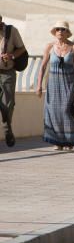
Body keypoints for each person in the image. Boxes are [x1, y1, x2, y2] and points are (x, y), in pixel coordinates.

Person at [36, 20, 74, 151]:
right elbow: (43, 66)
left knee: (66, 111)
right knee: (53, 112)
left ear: (67, 32)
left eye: (63, 29)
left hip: (69, 83)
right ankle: (57, 142)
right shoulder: (50, 47)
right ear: (54, 32)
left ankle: (70, 141)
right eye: (57, 29)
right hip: (53, 84)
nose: (60, 32)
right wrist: (39, 85)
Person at [0, 15, 27, 147]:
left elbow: (22, 49)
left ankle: (7, 128)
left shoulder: (11, 31)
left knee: (7, 104)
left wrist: (11, 55)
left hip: (7, 73)